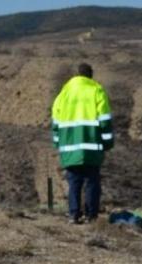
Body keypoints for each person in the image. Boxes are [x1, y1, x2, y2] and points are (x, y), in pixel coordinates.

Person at [52, 63, 114, 224]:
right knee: (92, 182)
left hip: (70, 148)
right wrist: (107, 143)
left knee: (74, 182)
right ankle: (91, 215)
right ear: (90, 75)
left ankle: (74, 214)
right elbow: (105, 121)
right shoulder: (96, 91)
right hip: (92, 148)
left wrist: (58, 143)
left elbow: (56, 123)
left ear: (77, 75)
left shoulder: (63, 94)